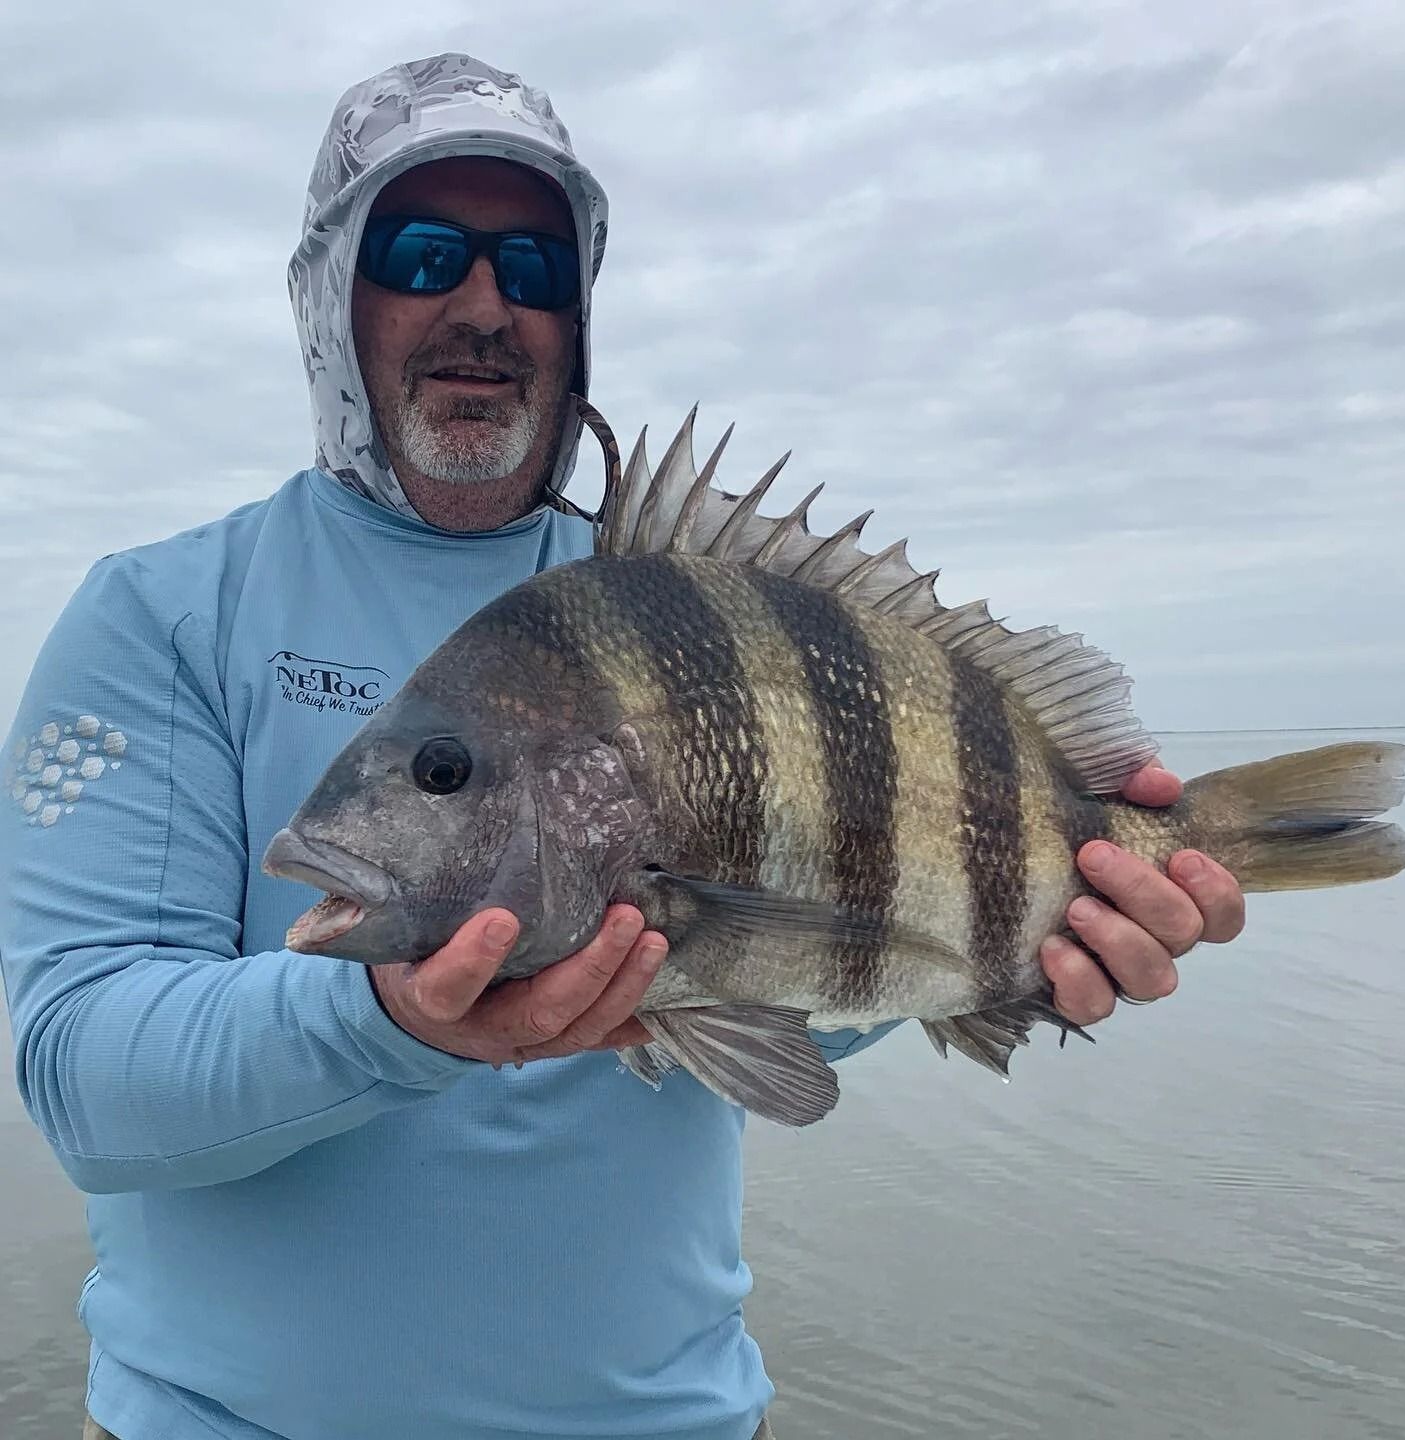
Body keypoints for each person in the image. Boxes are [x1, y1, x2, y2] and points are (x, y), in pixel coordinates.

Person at [1, 53, 1245, 1440]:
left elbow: (803, 979)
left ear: (577, 311)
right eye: (424, 252)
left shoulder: (670, 598)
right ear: (330, 292)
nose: (484, 306)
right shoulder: (160, 616)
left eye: (533, 267)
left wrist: (1029, 960)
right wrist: (390, 1021)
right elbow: (85, 1083)